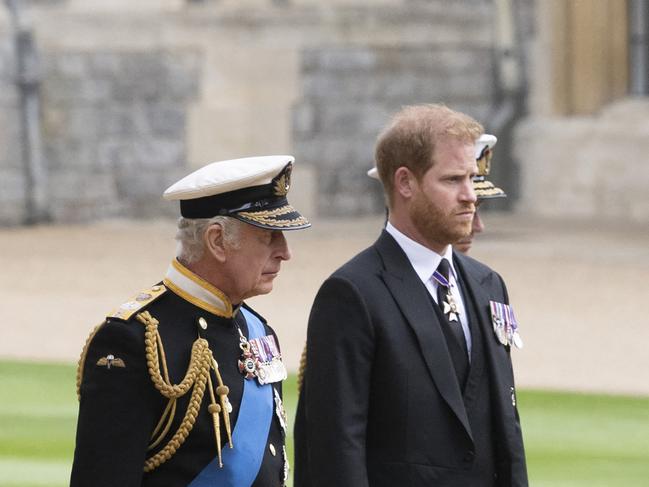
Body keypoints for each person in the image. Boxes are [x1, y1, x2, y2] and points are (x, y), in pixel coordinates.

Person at [294, 104, 527, 487]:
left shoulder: (489, 284)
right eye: (453, 180)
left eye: (471, 178)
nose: (470, 196)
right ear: (405, 183)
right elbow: (335, 449)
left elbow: (506, 428)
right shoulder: (353, 294)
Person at [71, 155, 310, 487]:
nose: (285, 252)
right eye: (269, 236)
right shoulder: (134, 340)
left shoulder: (257, 330)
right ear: (217, 241)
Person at [367, 133, 506, 254]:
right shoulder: (360, 282)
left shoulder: (481, 280)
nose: (478, 227)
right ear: (405, 185)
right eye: (460, 206)